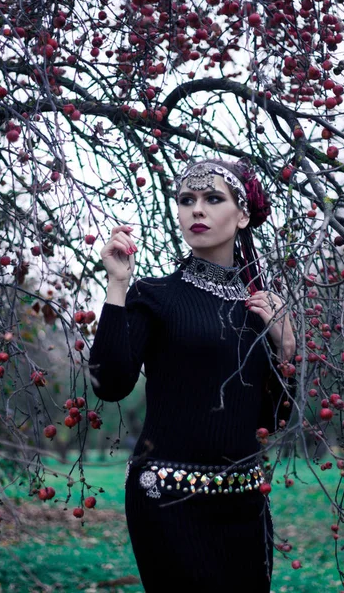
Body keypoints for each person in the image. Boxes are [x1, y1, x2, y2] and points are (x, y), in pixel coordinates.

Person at [88, 157, 296, 592]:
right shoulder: (154, 295)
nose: (196, 210)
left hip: (245, 503)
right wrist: (117, 286)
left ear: (242, 215)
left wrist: (287, 348)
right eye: (187, 200)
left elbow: (272, 421)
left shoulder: (263, 309)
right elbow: (109, 384)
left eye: (212, 198)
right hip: (165, 499)